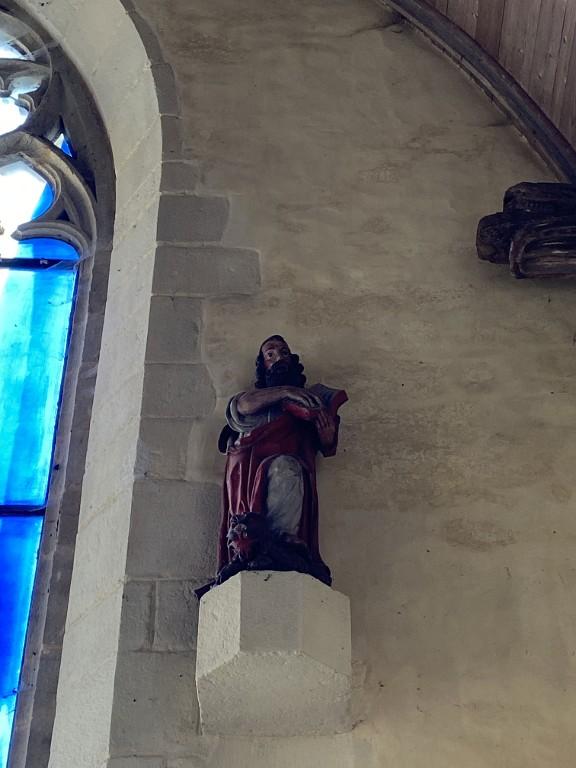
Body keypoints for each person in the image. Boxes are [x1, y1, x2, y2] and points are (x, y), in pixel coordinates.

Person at [204, 335, 346, 594]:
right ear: (263, 365)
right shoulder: (253, 398)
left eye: (284, 352)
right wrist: (287, 391)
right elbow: (242, 407)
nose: (279, 357)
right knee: (246, 526)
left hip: (287, 462)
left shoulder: (312, 399)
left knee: (286, 469)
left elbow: (326, 445)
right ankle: (248, 549)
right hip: (248, 468)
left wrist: (327, 435)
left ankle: (283, 542)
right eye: (270, 354)